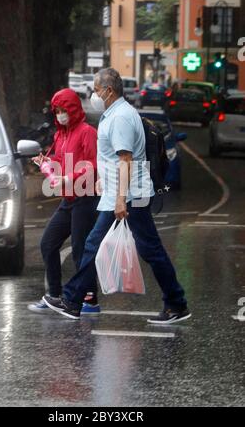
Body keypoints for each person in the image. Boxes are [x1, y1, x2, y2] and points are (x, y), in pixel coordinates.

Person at [43, 68, 191, 324]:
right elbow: (113, 158)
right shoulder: (114, 114)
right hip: (121, 194)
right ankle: (175, 303)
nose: (94, 95)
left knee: (129, 248)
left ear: (108, 91)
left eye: (96, 90)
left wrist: (121, 198)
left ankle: (73, 299)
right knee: (123, 247)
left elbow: (125, 159)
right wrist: (103, 181)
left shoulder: (120, 117)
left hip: (129, 196)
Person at [28, 88, 100, 315]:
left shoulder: (87, 132)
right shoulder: (61, 134)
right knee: (48, 243)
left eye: (63, 110)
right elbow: (60, 158)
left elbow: (94, 164)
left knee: (80, 249)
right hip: (68, 199)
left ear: (73, 109)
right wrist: (46, 161)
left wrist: (69, 177)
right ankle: (54, 295)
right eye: (57, 111)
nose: (60, 114)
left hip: (85, 197)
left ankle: (89, 298)